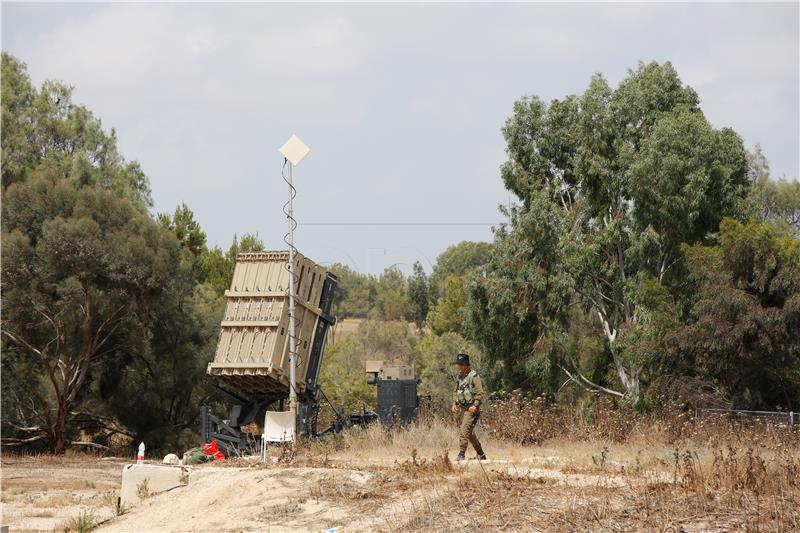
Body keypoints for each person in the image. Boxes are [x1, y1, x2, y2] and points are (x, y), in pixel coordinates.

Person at [451, 353, 486, 461]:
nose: (460, 366)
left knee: (464, 430)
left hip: (472, 409)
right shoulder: (460, 377)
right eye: (459, 364)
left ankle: (461, 454)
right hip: (463, 408)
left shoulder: (474, 376)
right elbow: (456, 391)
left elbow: (480, 393)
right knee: (469, 433)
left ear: (467, 364)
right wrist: (454, 403)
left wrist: (475, 405)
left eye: (462, 364)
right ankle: (481, 454)